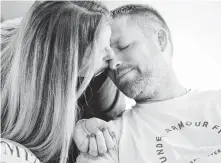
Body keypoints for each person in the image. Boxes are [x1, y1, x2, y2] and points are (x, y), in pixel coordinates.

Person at [75, 4, 221, 163]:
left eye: (124, 46)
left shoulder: (216, 102)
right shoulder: (109, 138)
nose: (113, 63)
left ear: (160, 40)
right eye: (107, 59)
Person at [1, 1, 119, 163]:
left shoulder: (103, 76)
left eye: (110, 43)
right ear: (66, 59)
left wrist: (78, 130)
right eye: (102, 50)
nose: (112, 56)